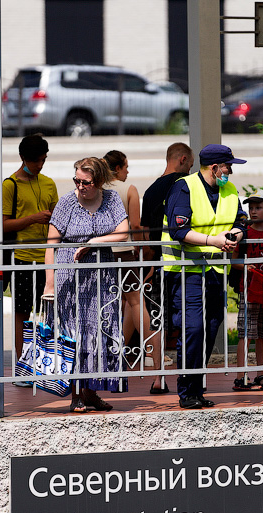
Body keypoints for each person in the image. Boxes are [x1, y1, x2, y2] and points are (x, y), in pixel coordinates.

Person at [163, 144, 248, 409]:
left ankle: (197, 388)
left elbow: (241, 220)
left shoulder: (230, 190)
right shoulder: (184, 187)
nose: (231, 171)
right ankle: (187, 391)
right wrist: (214, 240)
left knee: (211, 328)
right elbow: (179, 231)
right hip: (185, 271)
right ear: (214, 168)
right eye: (228, 166)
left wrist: (235, 235)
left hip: (214, 272)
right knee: (194, 329)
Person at [43, 157, 130, 413]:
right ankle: (75, 395)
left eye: (86, 182)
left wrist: (94, 242)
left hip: (102, 279)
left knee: (99, 333)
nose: (80, 186)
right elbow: (51, 244)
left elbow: (123, 232)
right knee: (75, 335)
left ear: (99, 181)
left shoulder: (112, 199)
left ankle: (91, 392)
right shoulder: (67, 203)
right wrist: (50, 284)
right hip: (70, 279)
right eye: (77, 180)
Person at [103, 150, 162, 393]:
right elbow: (135, 226)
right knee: (137, 302)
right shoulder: (129, 190)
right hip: (126, 251)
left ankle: (116, 358)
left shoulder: (99, 189)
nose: (128, 172)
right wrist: (145, 252)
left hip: (103, 252)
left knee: (125, 304)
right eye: (126, 167)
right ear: (117, 168)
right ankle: (157, 364)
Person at [2, 134, 59, 385]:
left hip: (47, 257)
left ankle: (45, 363)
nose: (40, 165)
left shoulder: (48, 183)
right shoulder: (10, 185)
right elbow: (3, 225)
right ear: (24, 158)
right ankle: (22, 366)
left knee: (47, 313)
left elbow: (58, 218)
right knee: (22, 314)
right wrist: (32, 219)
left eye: (44, 160)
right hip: (23, 258)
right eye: (37, 161)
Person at [139, 143, 194, 392]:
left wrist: (147, 267)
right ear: (183, 159)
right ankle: (189, 377)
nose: (191, 169)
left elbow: (145, 234)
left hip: (157, 264)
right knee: (186, 320)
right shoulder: (186, 186)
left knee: (156, 320)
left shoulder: (151, 191)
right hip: (185, 262)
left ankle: (158, 378)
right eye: (190, 164)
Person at [232, 195, 263, 392]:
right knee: (246, 332)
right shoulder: (245, 234)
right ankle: (241, 375)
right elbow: (233, 260)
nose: (253, 211)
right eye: (251, 207)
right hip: (248, 288)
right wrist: (245, 264)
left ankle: (262, 374)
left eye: (258, 207)